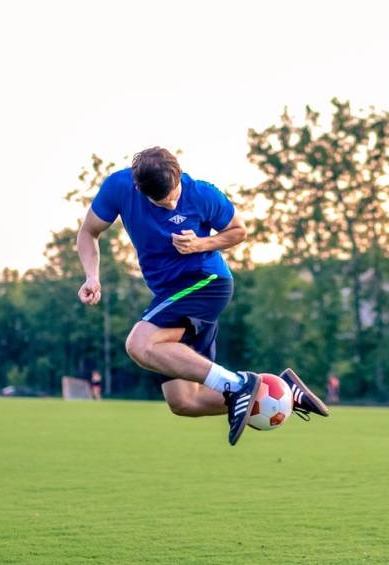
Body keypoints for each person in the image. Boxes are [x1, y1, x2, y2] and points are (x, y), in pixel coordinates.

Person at [76, 147, 329, 446]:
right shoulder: (118, 187)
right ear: (138, 189)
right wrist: (92, 275)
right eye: (161, 202)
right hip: (170, 294)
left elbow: (238, 231)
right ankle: (284, 393)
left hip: (206, 282)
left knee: (139, 344)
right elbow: (88, 232)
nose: (170, 205)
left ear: (179, 175)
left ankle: (239, 384)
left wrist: (202, 244)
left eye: (174, 195)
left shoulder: (202, 194)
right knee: (184, 402)